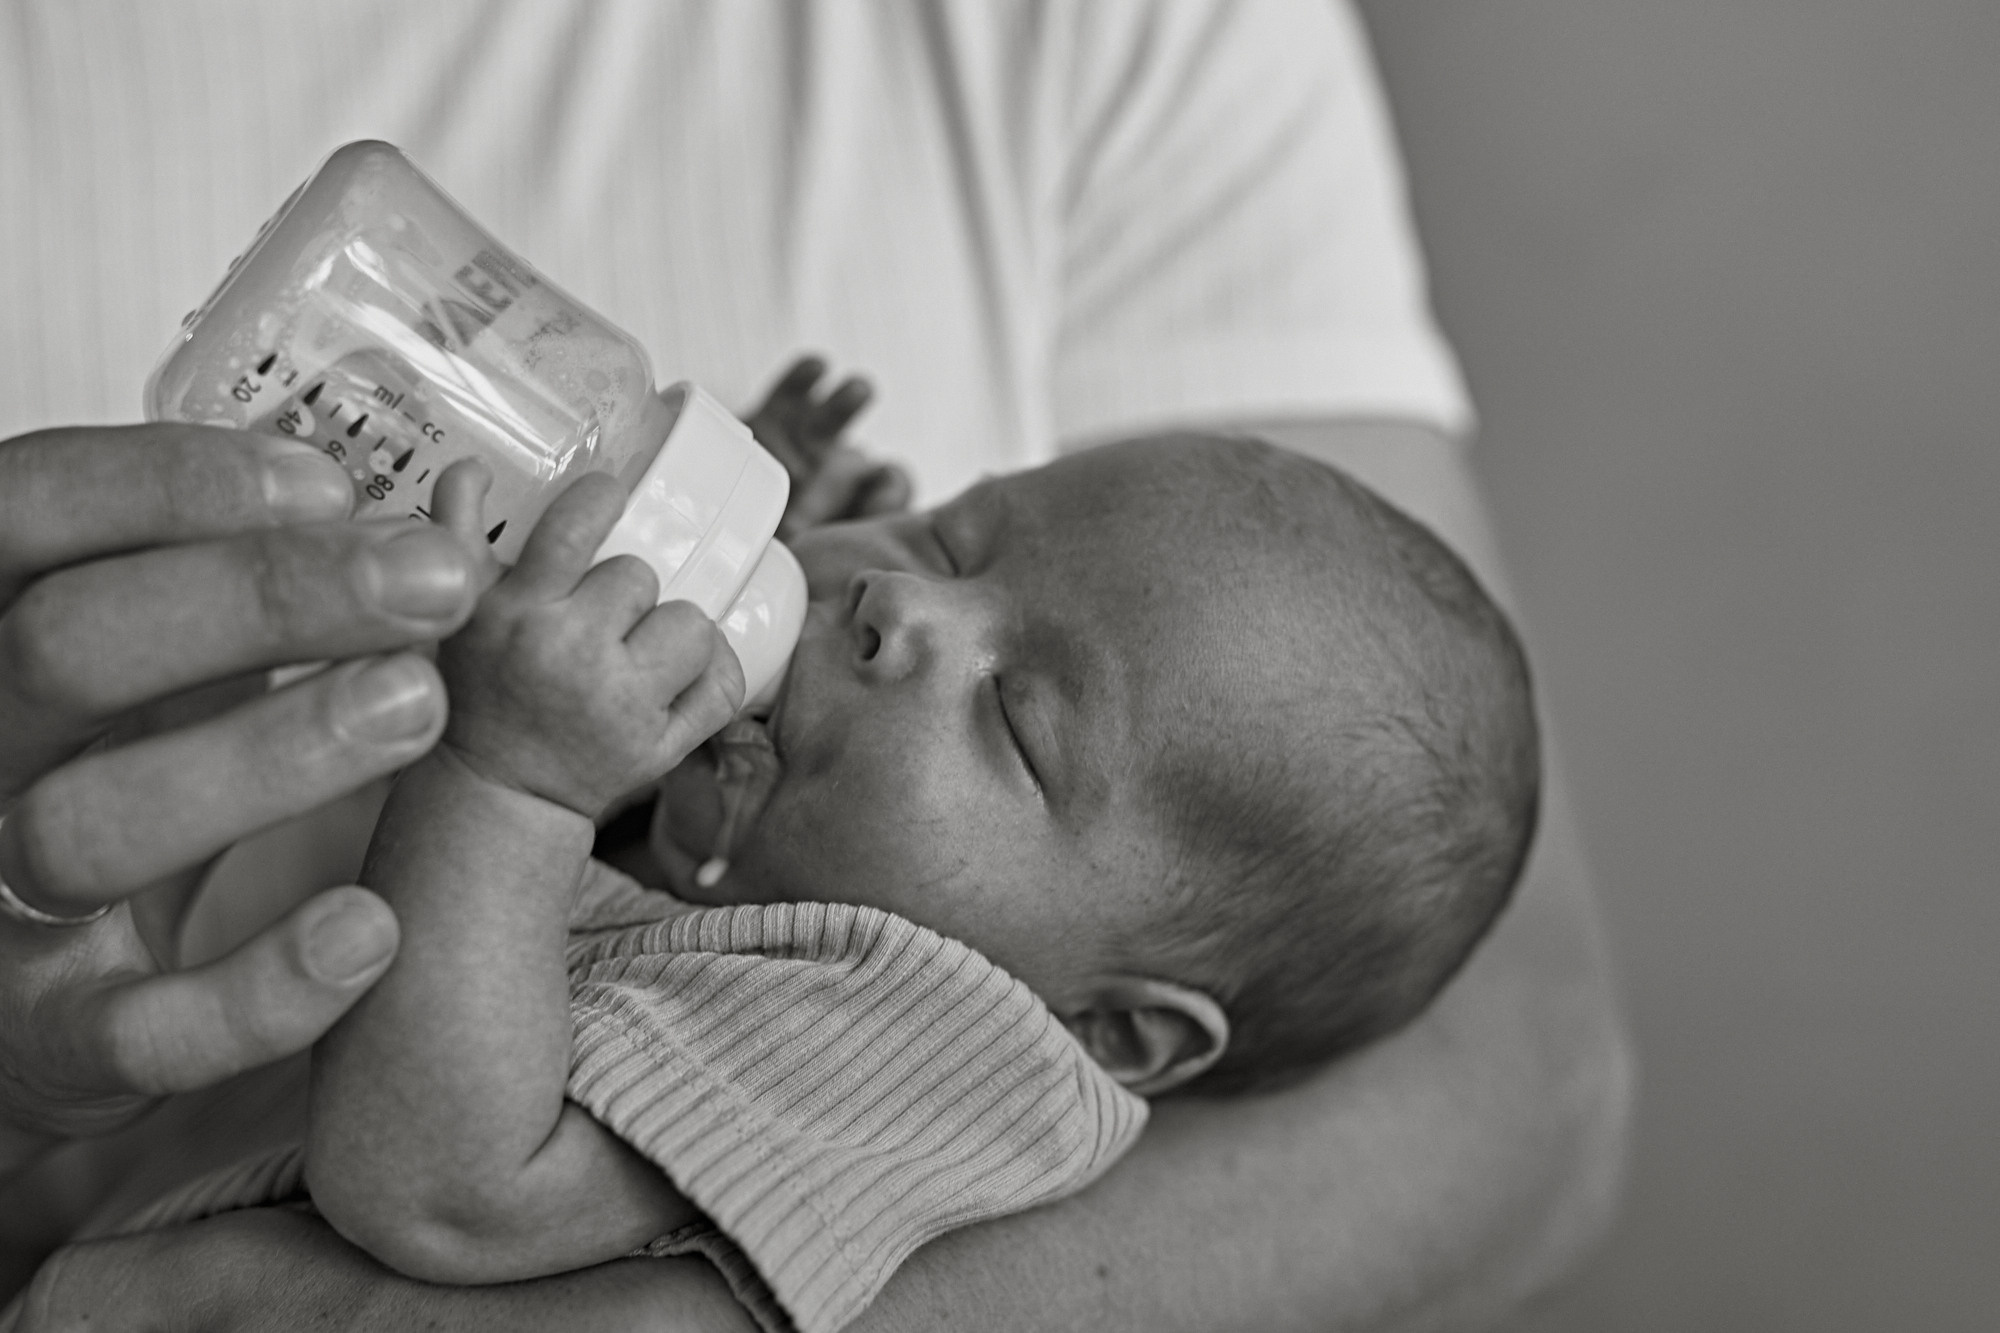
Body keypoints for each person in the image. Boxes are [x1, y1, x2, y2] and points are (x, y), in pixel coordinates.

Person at [0, 2, 1631, 1329]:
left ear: (1116, 1031)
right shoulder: (778, 878)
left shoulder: (918, 1044)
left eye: (1016, 718)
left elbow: (445, 1190)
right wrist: (706, 527)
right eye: (951, 534)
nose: (901, 609)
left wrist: (512, 779)